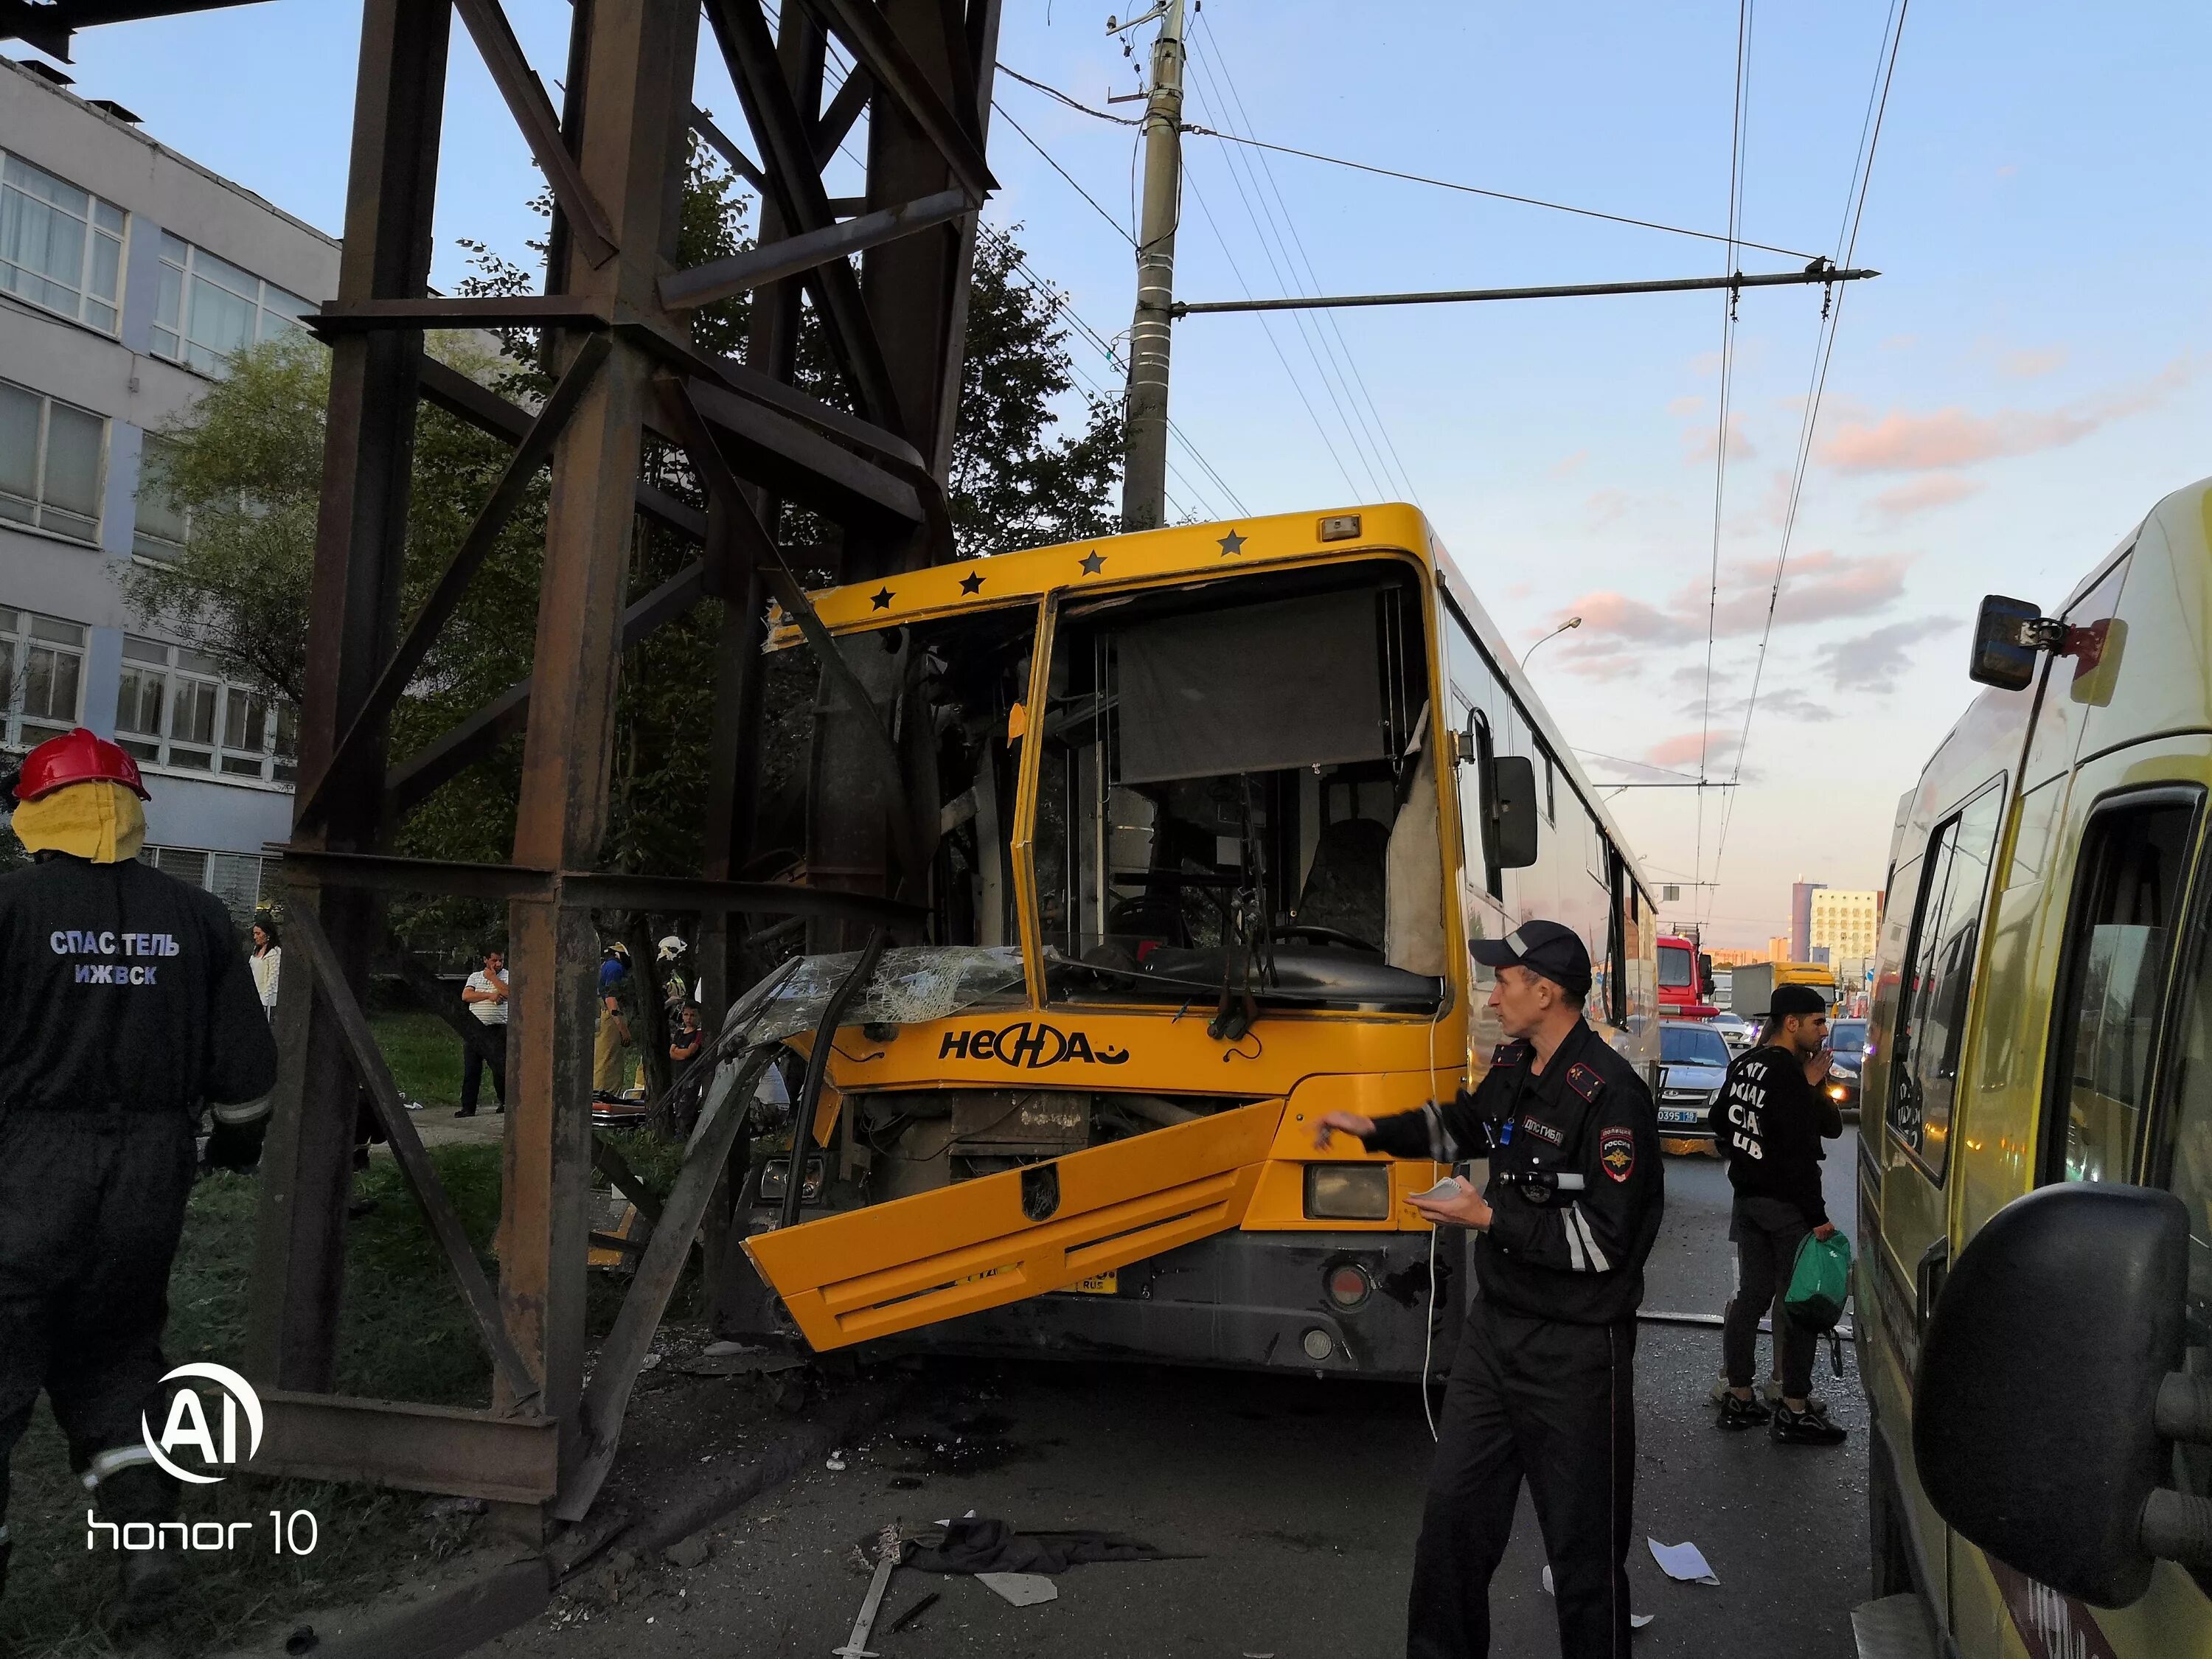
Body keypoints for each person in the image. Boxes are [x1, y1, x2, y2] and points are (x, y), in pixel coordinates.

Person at [1314, 920, 1663, 1659]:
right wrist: (1372, 1129)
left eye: (1505, 980)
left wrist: (1488, 1217)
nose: (1493, 992)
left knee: (1584, 1556)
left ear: (1546, 992)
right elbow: (1462, 1126)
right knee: (1451, 1525)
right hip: (1493, 1340)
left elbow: (1605, 1242)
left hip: (1575, 1357)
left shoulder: (1611, 1098)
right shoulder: (1516, 1065)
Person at [0, 728, 278, 1623]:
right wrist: (229, 1152)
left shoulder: (10, 909)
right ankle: (148, 1548)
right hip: (148, 1180)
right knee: (116, 1361)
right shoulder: (198, 917)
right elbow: (247, 1079)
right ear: (130, 813)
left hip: (23, 1172)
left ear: (35, 810)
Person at [1709, 983, 1846, 1446]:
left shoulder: (1746, 1063)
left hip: (1749, 1202)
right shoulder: (1788, 1073)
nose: (1823, 1032)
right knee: (1802, 1305)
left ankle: (1740, 1396)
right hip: (1788, 1209)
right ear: (1791, 1023)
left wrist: (1811, 1086)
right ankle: (1794, 1407)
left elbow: (1721, 1121)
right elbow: (1800, 1155)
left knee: (1752, 1297)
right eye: (1817, 1022)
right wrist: (1818, 1217)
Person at [457, 945, 508, 1119]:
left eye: (501, 960)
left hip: (498, 1028)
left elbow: (509, 993)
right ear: (486, 960)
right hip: (475, 1027)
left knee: (499, 1067)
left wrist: (494, 979)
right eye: (494, 960)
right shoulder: (475, 977)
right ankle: (468, 1106)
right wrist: (489, 995)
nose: (498, 963)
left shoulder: (508, 976)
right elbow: (466, 996)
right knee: (472, 1068)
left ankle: (505, 1101)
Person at [593, 941, 634, 1099]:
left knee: (607, 1058)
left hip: (606, 1014)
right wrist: (623, 1029)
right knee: (608, 1060)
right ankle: (603, 1096)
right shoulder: (615, 968)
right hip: (611, 1017)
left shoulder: (608, 966)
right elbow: (611, 998)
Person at [248, 914, 281, 1021]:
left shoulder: (274, 953)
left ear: (267, 934)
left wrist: (264, 1001)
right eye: (254, 934)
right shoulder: (255, 951)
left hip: (266, 1001)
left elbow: (273, 980)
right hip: (253, 995)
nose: (255, 937)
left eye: (258, 934)